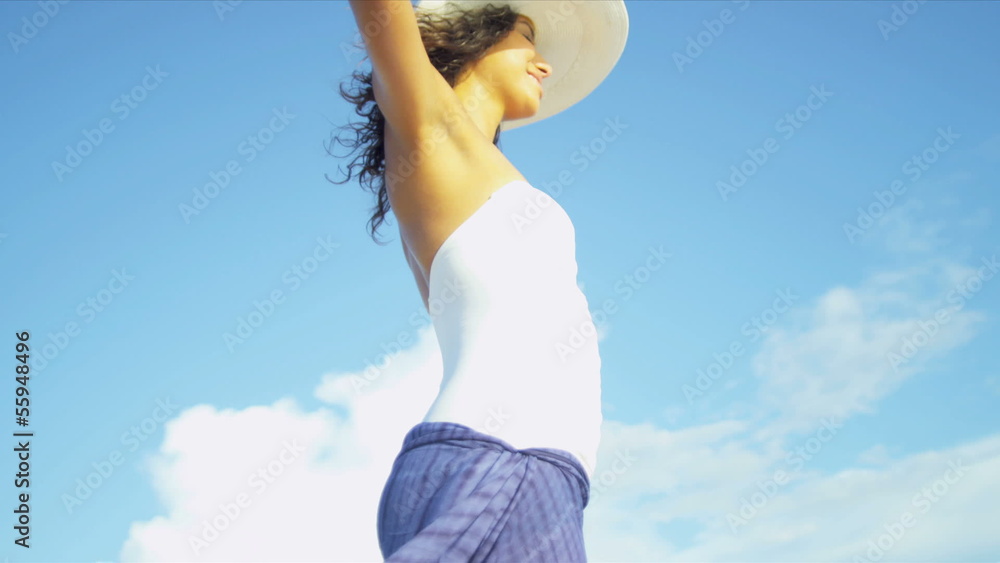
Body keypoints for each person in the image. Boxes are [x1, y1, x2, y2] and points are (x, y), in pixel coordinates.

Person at [335, 1, 629, 560]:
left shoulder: (461, 161)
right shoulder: (432, 132)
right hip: (507, 460)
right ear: (472, 38)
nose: (544, 63)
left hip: (515, 470)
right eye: (526, 36)